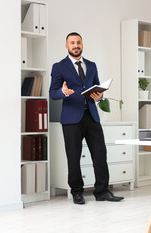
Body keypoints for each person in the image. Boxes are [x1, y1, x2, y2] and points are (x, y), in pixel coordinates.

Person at [49, 32, 123, 204]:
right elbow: (52, 93)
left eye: (78, 42)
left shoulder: (92, 65)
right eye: (72, 43)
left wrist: (99, 96)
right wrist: (63, 92)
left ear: (82, 44)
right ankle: (77, 192)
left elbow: (96, 88)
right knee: (73, 157)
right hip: (71, 118)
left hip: (91, 116)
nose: (76, 45)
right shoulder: (59, 67)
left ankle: (102, 191)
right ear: (66, 46)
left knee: (100, 154)